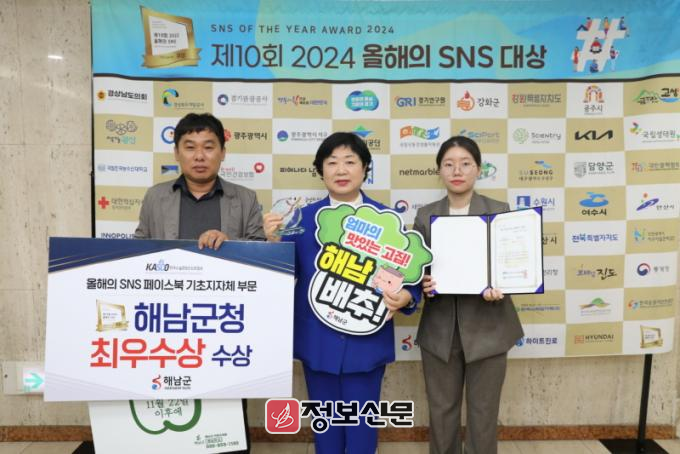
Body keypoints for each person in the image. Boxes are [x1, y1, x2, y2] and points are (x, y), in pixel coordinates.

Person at [263, 132, 420, 454]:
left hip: (366, 344)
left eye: (350, 161)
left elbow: (411, 275)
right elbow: (280, 276)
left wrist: (406, 296)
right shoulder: (301, 220)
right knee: (327, 433)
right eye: (332, 162)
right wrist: (272, 243)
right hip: (317, 343)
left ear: (365, 169)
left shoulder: (387, 221)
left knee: (362, 433)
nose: (341, 170)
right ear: (321, 171)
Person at [135, 112, 265, 454]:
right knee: (174, 400)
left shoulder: (245, 198)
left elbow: (262, 256)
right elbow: (138, 251)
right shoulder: (156, 197)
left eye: (208, 146)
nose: (199, 155)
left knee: (227, 406)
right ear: (176, 152)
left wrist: (231, 244)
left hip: (225, 322)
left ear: (222, 152)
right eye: (190, 147)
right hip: (169, 321)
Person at [413, 136, 523, 454]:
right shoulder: (425, 215)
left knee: (483, 413)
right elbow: (415, 270)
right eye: (448, 164)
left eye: (465, 163)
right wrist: (422, 282)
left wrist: (502, 284)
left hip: (490, 326)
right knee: (441, 412)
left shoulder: (499, 211)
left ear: (478, 169)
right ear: (439, 171)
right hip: (440, 330)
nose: (457, 170)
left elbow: (512, 265)